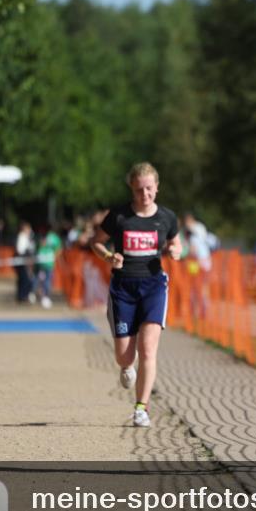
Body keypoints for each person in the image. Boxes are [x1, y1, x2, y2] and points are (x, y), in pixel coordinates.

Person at [91, 162, 182, 428]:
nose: (145, 194)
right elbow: (96, 242)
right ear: (132, 188)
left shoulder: (166, 217)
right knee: (124, 356)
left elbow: (176, 243)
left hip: (154, 286)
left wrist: (176, 251)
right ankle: (126, 366)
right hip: (123, 288)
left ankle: (141, 408)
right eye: (140, 189)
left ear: (157, 187)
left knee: (148, 349)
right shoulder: (119, 216)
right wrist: (109, 256)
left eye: (149, 189)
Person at [35, 224, 63, 308]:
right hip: (43, 262)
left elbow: (59, 249)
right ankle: (43, 296)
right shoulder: (43, 237)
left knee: (45, 280)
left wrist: (54, 257)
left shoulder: (52, 237)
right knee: (43, 280)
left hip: (46, 263)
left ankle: (44, 296)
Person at [14, 221, 36, 304]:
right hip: (22, 261)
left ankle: (23, 296)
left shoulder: (27, 237)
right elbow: (20, 250)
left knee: (25, 279)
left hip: (25, 261)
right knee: (24, 279)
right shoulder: (22, 236)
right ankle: (22, 296)